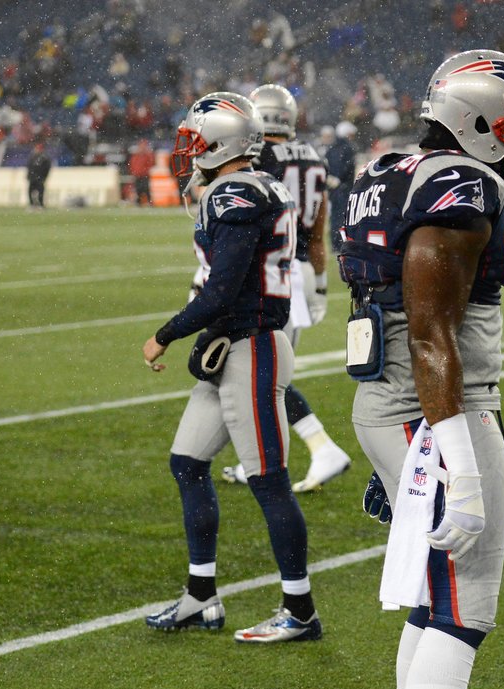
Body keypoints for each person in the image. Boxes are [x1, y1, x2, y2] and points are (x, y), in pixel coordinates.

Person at [339, 49, 504, 689]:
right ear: (481, 119)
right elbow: (431, 330)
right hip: (430, 410)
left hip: (393, 405)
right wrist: (456, 461)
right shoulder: (457, 184)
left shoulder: (387, 165)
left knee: (433, 602)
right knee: (464, 604)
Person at [142, 92, 322, 644]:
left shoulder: (237, 194)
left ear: (219, 143)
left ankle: (300, 608)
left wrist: (165, 334)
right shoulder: (254, 185)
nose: (188, 150)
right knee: (187, 461)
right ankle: (201, 595)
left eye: (196, 140)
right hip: (234, 346)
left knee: (269, 482)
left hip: (253, 348)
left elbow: (222, 291)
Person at [218, 84, 353, 491]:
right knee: (264, 371)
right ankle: (255, 459)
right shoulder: (312, 155)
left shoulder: (261, 158)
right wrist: (322, 283)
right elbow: (319, 228)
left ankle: (319, 447)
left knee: (262, 373)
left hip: (272, 270)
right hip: (302, 270)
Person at [325, 121, 357, 250]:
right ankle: (341, 243)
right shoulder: (348, 148)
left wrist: (332, 178)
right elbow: (347, 166)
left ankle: (335, 243)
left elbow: (327, 164)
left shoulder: (332, 148)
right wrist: (339, 178)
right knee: (343, 216)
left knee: (335, 216)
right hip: (344, 187)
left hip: (334, 187)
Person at [128, 138, 155, 206]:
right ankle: (139, 203)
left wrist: (144, 171)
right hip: (138, 175)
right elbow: (132, 165)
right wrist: (134, 172)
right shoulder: (136, 155)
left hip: (144, 175)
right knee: (138, 189)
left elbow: (151, 163)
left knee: (146, 189)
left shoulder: (147, 155)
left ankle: (149, 202)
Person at [27, 142, 51, 207]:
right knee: (30, 191)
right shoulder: (33, 157)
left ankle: (40, 204)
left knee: (40, 192)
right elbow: (29, 167)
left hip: (40, 178)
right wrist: (29, 176)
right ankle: (32, 204)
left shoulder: (44, 158)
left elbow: (47, 169)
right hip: (33, 178)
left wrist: (44, 177)